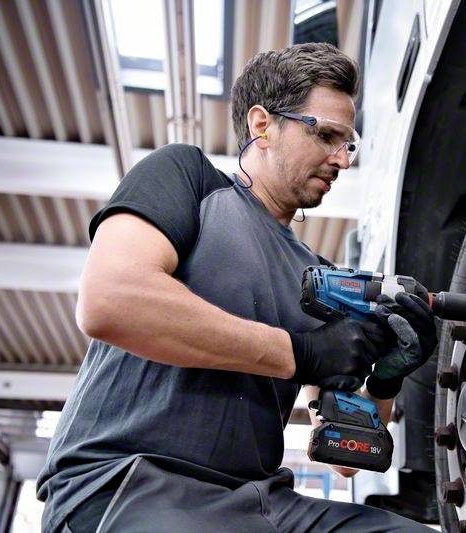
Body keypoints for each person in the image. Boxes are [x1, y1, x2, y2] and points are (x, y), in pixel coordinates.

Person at [36, 43, 438, 532]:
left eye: (348, 143)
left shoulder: (322, 278)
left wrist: (387, 377)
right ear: (262, 124)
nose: (342, 159)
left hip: (263, 504)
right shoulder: (188, 178)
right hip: (128, 485)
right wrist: (300, 353)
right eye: (327, 135)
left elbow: (347, 455)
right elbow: (110, 301)